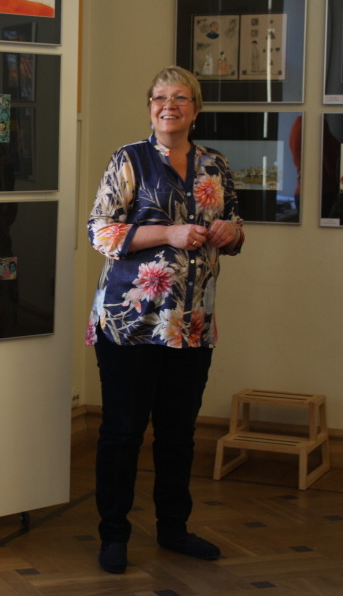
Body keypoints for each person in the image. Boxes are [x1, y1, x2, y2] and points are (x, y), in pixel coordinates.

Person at [85, 66, 244, 574]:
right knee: (123, 433)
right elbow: (100, 232)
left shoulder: (215, 165)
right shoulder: (128, 160)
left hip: (192, 323)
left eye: (180, 98)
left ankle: (174, 529)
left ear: (196, 108)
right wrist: (169, 234)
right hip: (130, 323)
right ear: (150, 106)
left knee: (178, 435)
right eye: (159, 97)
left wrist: (231, 233)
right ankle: (114, 535)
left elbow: (235, 226)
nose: (168, 106)